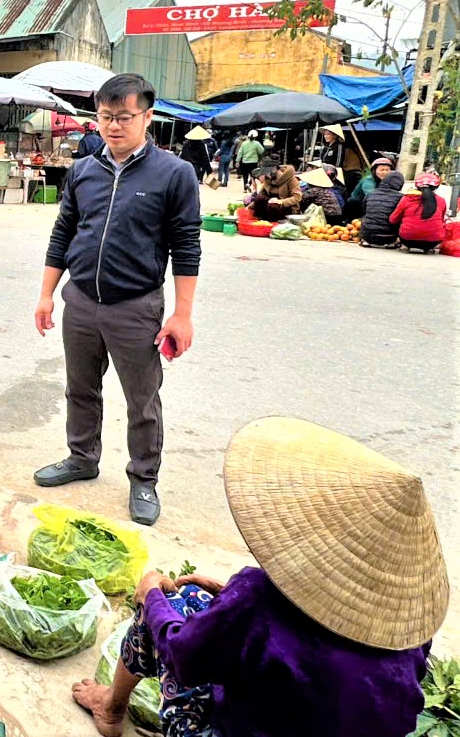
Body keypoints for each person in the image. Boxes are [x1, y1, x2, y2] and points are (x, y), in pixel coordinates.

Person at [73, 416, 444, 737]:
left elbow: (183, 654)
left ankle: (111, 707)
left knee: (171, 605)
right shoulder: (409, 627)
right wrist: (228, 595)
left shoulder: (258, 596)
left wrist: (151, 595)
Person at [34, 73, 201, 526]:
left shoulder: (174, 174)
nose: (113, 125)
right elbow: (63, 233)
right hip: (82, 302)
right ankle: (81, 458)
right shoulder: (83, 170)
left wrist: (181, 315)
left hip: (136, 306)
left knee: (142, 399)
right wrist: (47, 294)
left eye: (124, 117)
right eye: (105, 116)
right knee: (80, 388)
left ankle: (144, 479)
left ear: (147, 116)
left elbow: (186, 245)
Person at [390, 171, 447, 252]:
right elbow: (441, 220)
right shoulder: (442, 201)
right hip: (433, 241)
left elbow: (393, 219)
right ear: (436, 186)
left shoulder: (407, 198)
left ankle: (405, 246)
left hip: (407, 239)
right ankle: (429, 249)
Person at [359, 170, 406, 247]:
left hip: (368, 235)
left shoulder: (371, 194)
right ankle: (392, 243)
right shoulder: (401, 198)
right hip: (389, 237)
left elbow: (364, 210)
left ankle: (366, 241)